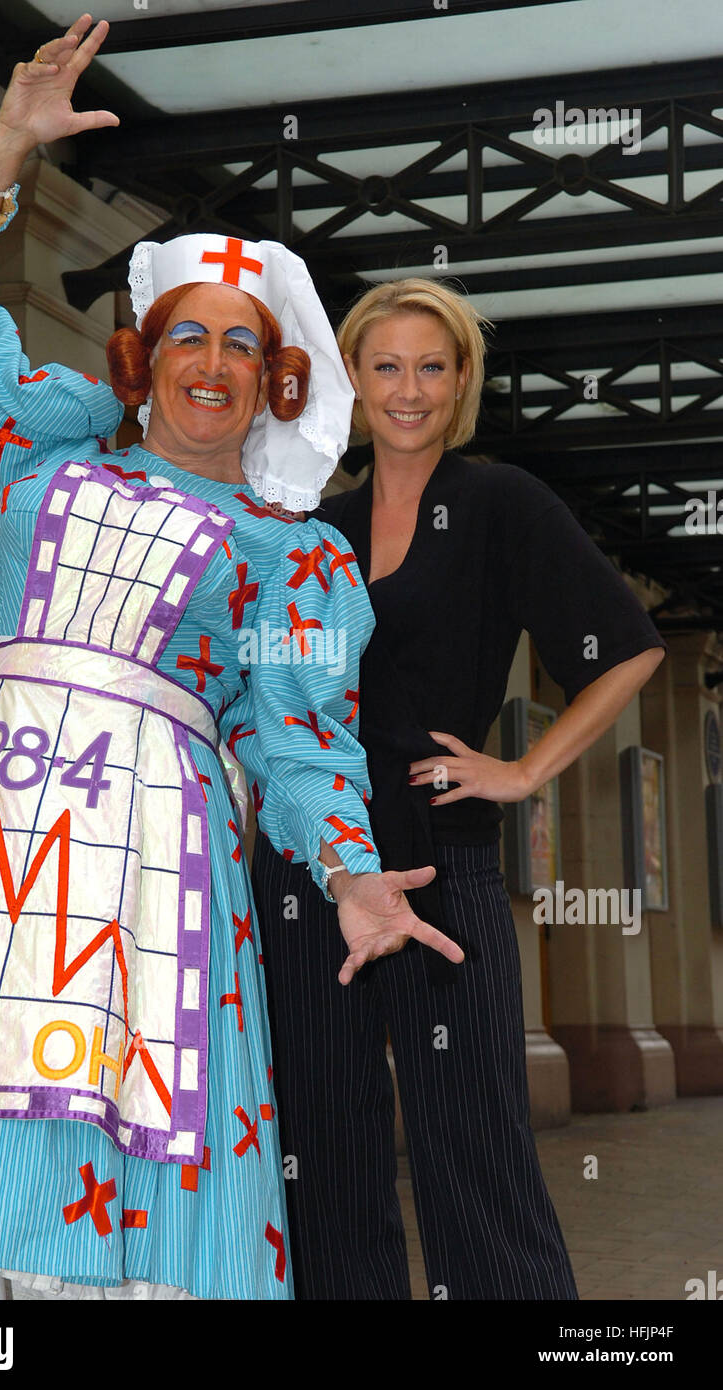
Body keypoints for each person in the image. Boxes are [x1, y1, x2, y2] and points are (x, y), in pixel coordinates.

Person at [0, 18, 462, 1302]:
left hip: (152, 855)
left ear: (275, 384)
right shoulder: (46, 454)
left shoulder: (287, 555)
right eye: (190, 336)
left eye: (243, 345)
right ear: (144, 358)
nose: (212, 363)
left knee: (111, 1100)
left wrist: (354, 874)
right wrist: (4, 145)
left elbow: (300, 735)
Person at [252, 277, 666, 1300]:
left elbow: (628, 649)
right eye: (384, 365)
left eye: (431, 366)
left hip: (443, 855)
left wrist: (520, 770)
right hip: (314, 868)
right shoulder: (314, 521)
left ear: (462, 380)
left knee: (474, 1146)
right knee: (324, 1141)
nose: (407, 388)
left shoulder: (498, 503)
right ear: (351, 375)